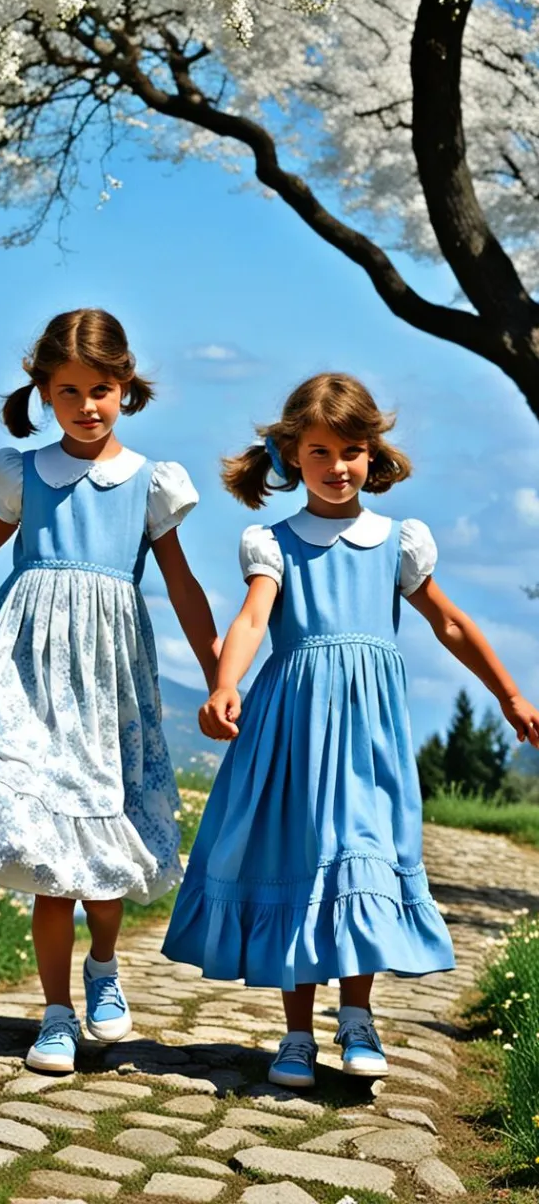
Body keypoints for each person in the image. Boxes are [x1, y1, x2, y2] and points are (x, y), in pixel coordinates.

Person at [163, 371, 539, 1089]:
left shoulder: (397, 541)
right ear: (291, 456)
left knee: (362, 858)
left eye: (353, 451)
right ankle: (297, 1035)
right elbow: (249, 620)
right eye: (320, 452)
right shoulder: (273, 543)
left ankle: (358, 1017)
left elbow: (451, 623)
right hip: (293, 732)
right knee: (303, 864)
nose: (338, 467)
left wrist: (510, 694)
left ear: (374, 455)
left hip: (369, 738)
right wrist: (224, 684)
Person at [0, 308, 218, 1074]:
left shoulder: (151, 484)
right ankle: (55, 1013)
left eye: (101, 389)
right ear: (44, 392)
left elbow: (185, 585)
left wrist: (220, 670)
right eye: (69, 391)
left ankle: (103, 968)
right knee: (49, 857)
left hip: (107, 686)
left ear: (126, 386)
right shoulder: (22, 473)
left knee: (101, 836)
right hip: (25, 678)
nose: (87, 406)